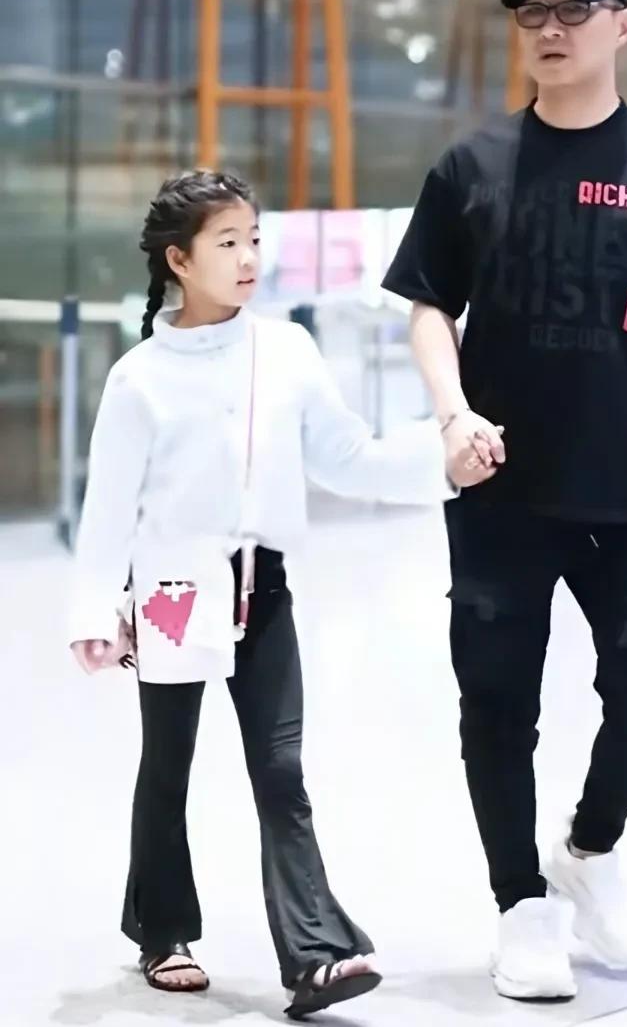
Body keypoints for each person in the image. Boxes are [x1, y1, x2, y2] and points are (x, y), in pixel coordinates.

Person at [382, 0, 627, 1002]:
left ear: (621, 26)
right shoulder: (472, 165)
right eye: (533, 12)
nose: (550, 28)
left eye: (575, 11)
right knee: (497, 703)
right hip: (499, 488)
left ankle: (589, 847)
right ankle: (521, 905)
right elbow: (428, 306)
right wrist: (452, 413)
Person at [68, 169, 459, 1018]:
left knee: (280, 768)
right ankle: (162, 931)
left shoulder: (287, 352)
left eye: (253, 239)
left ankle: (316, 955)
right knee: (168, 762)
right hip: (172, 591)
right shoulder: (138, 378)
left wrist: (445, 458)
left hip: (262, 588)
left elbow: (345, 457)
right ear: (179, 260)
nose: (249, 258)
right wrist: (95, 611)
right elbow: (109, 507)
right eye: (227, 243)